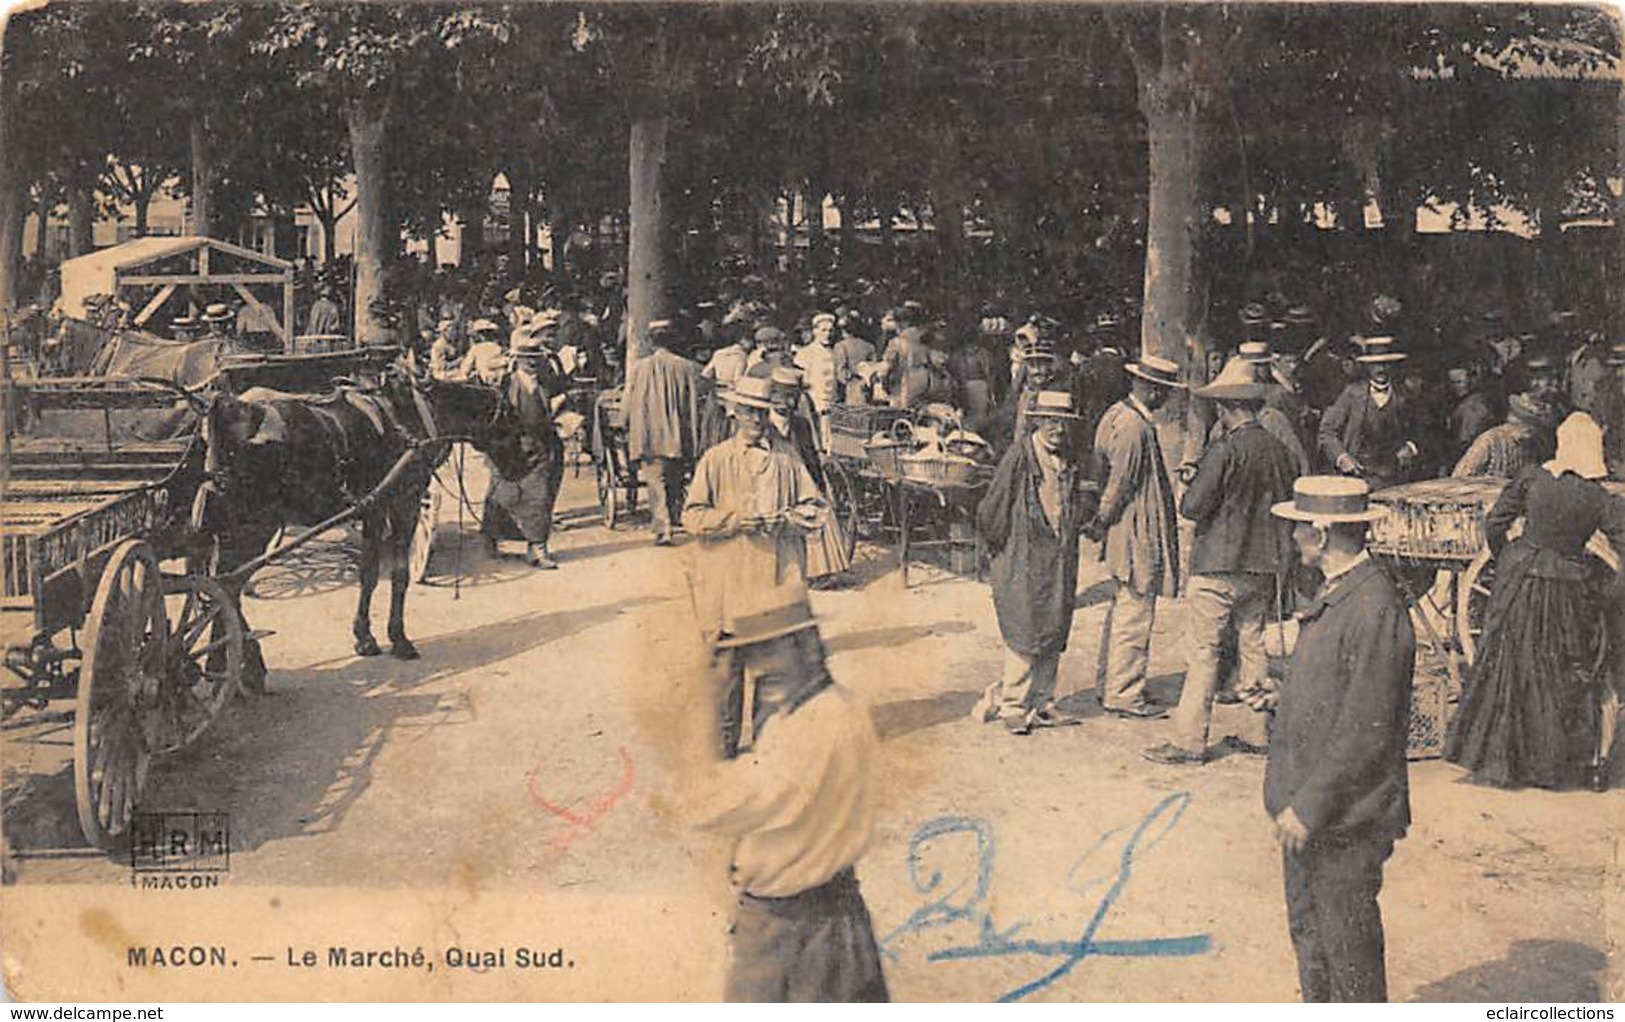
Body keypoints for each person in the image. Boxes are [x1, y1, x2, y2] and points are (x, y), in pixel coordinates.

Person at [678, 587, 888, 1002]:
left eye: (769, 652)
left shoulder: (812, 728)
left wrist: (707, 708)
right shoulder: (814, 710)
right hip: (824, 919)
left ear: (807, 646)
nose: (758, 668)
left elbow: (703, 804)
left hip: (796, 930)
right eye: (752, 655)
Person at [1264, 475, 1414, 1003]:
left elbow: (1365, 730)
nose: (1293, 538)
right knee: (1312, 939)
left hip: (1346, 818)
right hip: (1314, 816)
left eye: (1299, 528)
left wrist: (1308, 806)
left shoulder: (1374, 608)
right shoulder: (1339, 594)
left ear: (1322, 533)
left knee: (1348, 954)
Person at [1445, 412, 1625, 791]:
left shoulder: (1531, 477)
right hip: (1568, 588)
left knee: (1509, 665)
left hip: (1519, 580)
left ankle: (1503, 762)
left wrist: (1507, 556)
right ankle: (1553, 765)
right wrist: (1613, 587)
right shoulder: (1597, 496)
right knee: (1560, 670)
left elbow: (1495, 524)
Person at [1144, 359, 1295, 765]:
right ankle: (1260, 733)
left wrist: (1192, 479)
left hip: (1217, 566)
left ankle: (1189, 741)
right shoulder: (1279, 451)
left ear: (1225, 408)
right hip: (1263, 566)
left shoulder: (1224, 450)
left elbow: (1192, 508)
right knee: (1253, 646)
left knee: (1205, 653)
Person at [973, 391, 1098, 735]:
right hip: (1024, 553)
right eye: (1051, 421)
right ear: (1038, 421)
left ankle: (1043, 702)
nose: (1058, 429)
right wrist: (1000, 550)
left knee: (1055, 623)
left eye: (1064, 423)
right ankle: (1014, 704)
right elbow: (991, 508)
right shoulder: (1020, 457)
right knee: (1024, 625)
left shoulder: (1067, 458)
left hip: (1058, 554)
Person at [682, 375, 827, 642]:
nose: (756, 420)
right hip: (731, 580)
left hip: (778, 577)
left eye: (761, 412)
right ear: (735, 414)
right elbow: (691, 516)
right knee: (729, 659)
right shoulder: (716, 459)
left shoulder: (787, 458)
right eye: (748, 412)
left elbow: (815, 507)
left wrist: (787, 520)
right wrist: (733, 521)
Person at [1085, 354, 1184, 718]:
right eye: (1167, 392)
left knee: (1124, 608)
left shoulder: (1116, 414)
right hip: (1135, 525)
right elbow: (1120, 482)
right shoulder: (1135, 427)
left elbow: (1101, 465)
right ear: (1153, 390)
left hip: (1125, 525)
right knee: (1135, 611)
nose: (1169, 399)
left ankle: (1110, 685)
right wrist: (1102, 518)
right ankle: (1125, 693)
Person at [482, 311, 567, 569]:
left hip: (540, 447)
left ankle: (537, 549)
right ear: (516, 360)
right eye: (526, 359)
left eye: (535, 359)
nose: (531, 364)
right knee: (502, 496)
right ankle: (492, 538)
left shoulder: (546, 381)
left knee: (539, 498)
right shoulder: (505, 383)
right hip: (509, 448)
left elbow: (561, 402)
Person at [626, 319, 705, 546]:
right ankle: (673, 516)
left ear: (651, 343)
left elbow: (628, 401)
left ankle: (663, 527)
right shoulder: (688, 367)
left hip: (649, 435)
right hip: (678, 436)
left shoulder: (639, 368)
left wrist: (623, 423)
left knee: (655, 480)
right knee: (675, 479)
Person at [768, 368, 850, 586]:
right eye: (781, 398)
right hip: (770, 478)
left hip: (800, 476)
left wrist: (819, 485)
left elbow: (810, 456)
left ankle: (818, 570)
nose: (786, 403)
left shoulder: (800, 424)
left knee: (820, 511)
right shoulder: (763, 424)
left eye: (792, 398)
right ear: (771, 397)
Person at [1318, 336, 1425, 491]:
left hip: (1395, 478)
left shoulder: (1405, 395)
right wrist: (1342, 458)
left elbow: (1423, 430)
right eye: (1375, 365)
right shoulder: (1352, 394)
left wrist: (1411, 447)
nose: (1380, 369)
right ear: (1367, 367)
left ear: (1392, 366)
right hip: (1357, 475)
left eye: (1385, 364)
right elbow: (1327, 432)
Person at [1450, 393, 1546, 479]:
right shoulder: (1489, 440)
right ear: (1513, 420)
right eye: (1527, 424)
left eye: (1535, 426)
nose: (1531, 431)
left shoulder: (1532, 446)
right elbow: (1459, 477)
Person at [832, 310, 877, 405]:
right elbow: (874, 368)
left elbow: (841, 374)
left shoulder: (840, 346)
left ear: (842, 330)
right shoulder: (869, 346)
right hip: (868, 388)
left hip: (851, 389)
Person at [702, 321, 756, 391]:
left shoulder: (718, 353)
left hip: (717, 387)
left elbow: (706, 374)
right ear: (743, 340)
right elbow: (738, 378)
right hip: (731, 389)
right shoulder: (741, 356)